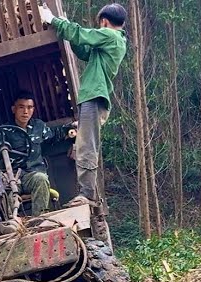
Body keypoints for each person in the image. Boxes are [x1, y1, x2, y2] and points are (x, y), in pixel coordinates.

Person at [38, 3, 128, 205]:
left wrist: (54, 20)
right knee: (84, 143)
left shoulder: (111, 36)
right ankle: (87, 192)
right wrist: (65, 26)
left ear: (104, 22)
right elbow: (84, 50)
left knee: (87, 145)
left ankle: (87, 194)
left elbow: (81, 34)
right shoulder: (111, 42)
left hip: (95, 96)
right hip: (93, 97)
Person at [9, 90, 71, 214]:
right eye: (21, 107)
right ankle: (9, 225)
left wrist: (69, 130)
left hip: (33, 176)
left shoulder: (39, 126)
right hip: (12, 177)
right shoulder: (4, 132)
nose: (25, 112)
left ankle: (40, 220)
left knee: (41, 178)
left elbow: (53, 135)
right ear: (13, 109)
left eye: (29, 107)